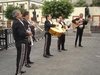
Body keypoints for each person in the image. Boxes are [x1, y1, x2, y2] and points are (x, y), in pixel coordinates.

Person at [12, 9, 32, 75]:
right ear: (17, 16)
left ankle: (20, 69)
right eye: (20, 14)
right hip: (21, 42)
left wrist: (26, 32)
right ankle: (18, 72)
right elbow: (21, 33)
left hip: (21, 42)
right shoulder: (17, 22)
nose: (21, 15)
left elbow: (21, 31)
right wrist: (28, 33)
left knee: (21, 57)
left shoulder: (17, 21)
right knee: (21, 57)